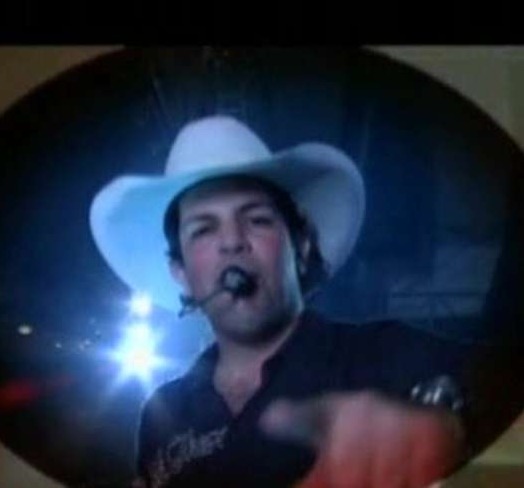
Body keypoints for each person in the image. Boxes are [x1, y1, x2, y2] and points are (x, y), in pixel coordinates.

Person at [89, 116, 502, 487]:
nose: (232, 241)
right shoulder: (161, 413)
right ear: (180, 272)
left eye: (257, 219)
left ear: (300, 246)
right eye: (203, 229)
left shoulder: (386, 352)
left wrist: (449, 429)